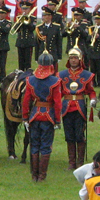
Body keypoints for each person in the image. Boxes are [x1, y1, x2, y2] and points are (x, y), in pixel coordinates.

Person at [22, 50, 62, 182]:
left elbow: (26, 100)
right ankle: (41, 176)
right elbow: (57, 103)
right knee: (45, 145)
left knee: (34, 145)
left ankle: (34, 175)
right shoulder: (55, 81)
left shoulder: (30, 80)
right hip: (49, 116)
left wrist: (25, 117)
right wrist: (57, 120)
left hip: (34, 115)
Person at [59, 47, 95, 171]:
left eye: (75, 58)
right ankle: (71, 162)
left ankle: (80, 163)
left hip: (79, 107)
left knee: (79, 135)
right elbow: (59, 93)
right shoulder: (62, 75)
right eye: (71, 58)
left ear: (80, 59)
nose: (73, 60)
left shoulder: (86, 74)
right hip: (66, 107)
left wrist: (93, 99)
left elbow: (91, 91)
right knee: (69, 136)